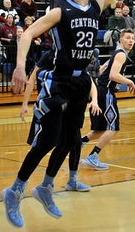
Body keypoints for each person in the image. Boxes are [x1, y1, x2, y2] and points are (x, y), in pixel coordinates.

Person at [1, 0, 135, 228]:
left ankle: (45, 187)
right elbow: (30, 33)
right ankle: (14, 190)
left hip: (81, 81)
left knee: (72, 139)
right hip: (58, 81)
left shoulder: (95, 5)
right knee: (47, 140)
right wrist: (20, 67)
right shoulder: (60, 9)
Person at [20, 49, 100, 190]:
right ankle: (21, 184)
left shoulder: (76, 55)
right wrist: (25, 103)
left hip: (70, 105)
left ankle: (68, 181)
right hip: (50, 105)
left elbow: (87, 78)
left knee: (74, 141)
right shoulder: (50, 56)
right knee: (42, 146)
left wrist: (94, 99)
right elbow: (32, 78)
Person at [81, 29, 135, 170]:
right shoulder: (121, 55)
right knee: (113, 127)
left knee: (100, 129)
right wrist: (129, 82)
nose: (131, 41)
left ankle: (79, 143)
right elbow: (113, 75)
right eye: (128, 38)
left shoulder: (117, 53)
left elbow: (102, 69)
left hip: (100, 90)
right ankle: (93, 156)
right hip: (106, 92)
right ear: (121, 40)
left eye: (133, 38)